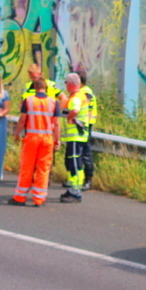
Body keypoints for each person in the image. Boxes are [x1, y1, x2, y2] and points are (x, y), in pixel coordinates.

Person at [11, 77, 60, 207]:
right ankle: (39, 199)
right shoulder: (54, 102)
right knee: (43, 169)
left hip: (32, 138)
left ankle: (20, 197)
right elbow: (56, 124)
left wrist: (16, 133)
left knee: (27, 167)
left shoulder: (29, 101)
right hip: (47, 139)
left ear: (34, 88)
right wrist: (58, 140)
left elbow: (22, 120)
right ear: (46, 88)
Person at [59, 72, 91, 203]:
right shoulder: (80, 95)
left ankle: (76, 192)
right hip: (78, 136)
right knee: (74, 163)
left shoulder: (76, 98)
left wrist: (69, 117)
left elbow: (75, 110)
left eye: (66, 83)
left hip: (75, 137)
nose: (65, 85)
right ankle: (72, 189)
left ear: (71, 84)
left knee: (75, 164)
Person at [76, 69, 98, 191]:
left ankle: (88, 180)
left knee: (85, 153)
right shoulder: (82, 92)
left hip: (85, 126)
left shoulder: (85, 93)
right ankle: (78, 179)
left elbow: (89, 111)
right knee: (80, 153)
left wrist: (84, 125)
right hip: (83, 125)